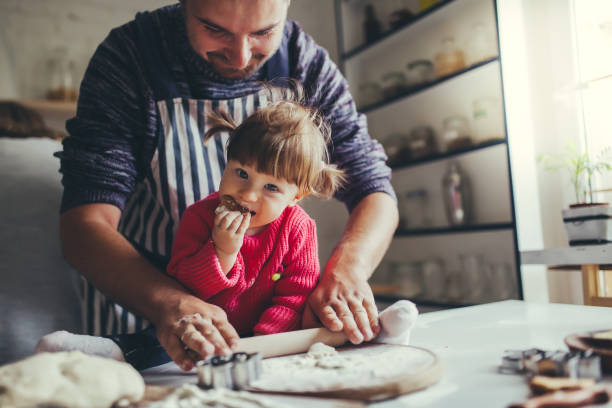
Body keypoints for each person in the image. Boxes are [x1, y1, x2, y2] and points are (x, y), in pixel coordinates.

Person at [55, 0, 398, 371]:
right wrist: (168, 301)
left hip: (269, 337)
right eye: (215, 29)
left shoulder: (303, 59)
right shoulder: (131, 58)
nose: (240, 57)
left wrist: (347, 270)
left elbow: (374, 188)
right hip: (143, 314)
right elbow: (84, 224)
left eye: (264, 32)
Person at [167, 94, 344, 344]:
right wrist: (223, 251)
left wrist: (261, 344)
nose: (248, 194)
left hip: (267, 343)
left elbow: (294, 300)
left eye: (271, 187)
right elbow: (183, 288)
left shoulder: (299, 229)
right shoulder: (199, 216)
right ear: (227, 163)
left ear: (296, 196)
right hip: (205, 339)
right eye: (241, 173)